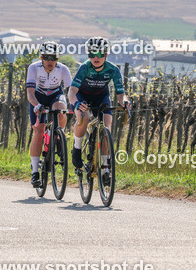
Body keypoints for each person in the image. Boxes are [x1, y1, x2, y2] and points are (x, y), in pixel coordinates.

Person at [68, 37, 129, 188]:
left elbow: (121, 94)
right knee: (85, 117)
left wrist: (125, 102)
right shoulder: (84, 67)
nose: (96, 57)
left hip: (102, 97)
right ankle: (76, 149)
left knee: (107, 127)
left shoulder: (113, 69)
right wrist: (76, 103)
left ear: (106, 54)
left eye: (100, 54)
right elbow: (72, 91)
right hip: (83, 97)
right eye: (92, 53)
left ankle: (106, 167)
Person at [26, 42, 71, 188]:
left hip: (55, 95)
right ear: (41, 57)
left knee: (61, 109)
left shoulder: (63, 69)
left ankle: (58, 135)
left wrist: (75, 104)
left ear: (58, 59)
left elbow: (71, 90)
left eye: (53, 58)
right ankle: (34, 171)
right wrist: (37, 105)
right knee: (38, 131)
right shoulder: (33, 68)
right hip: (38, 97)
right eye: (46, 57)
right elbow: (30, 94)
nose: (50, 61)